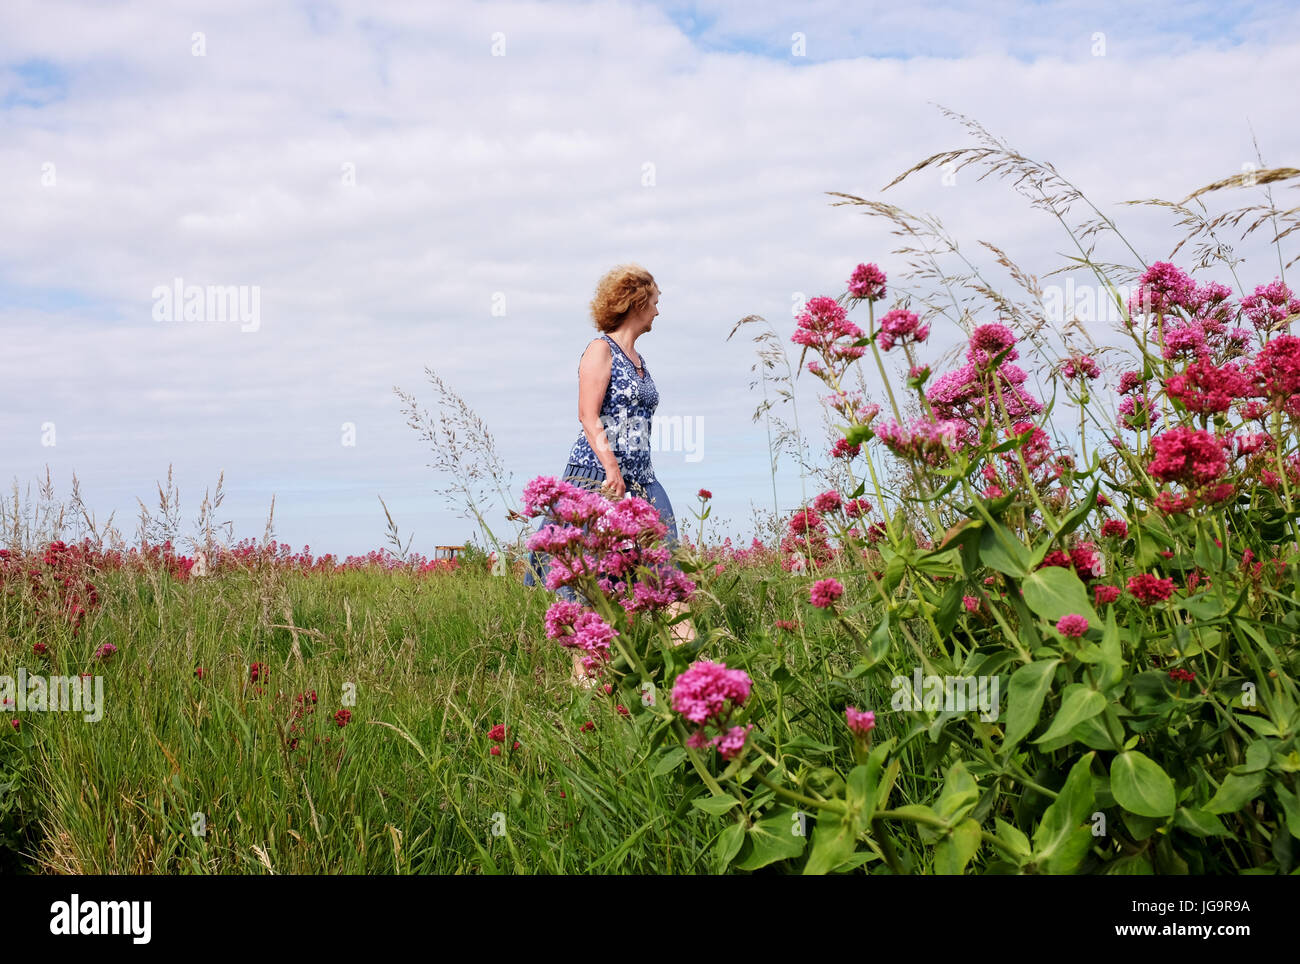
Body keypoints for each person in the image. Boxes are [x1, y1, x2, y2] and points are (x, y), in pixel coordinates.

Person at [523, 264, 696, 684]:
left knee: (669, 575)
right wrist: (611, 469)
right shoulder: (600, 350)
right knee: (592, 589)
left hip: (643, 481)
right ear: (637, 301)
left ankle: (692, 679)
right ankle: (588, 694)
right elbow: (588, 415)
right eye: (655, 302)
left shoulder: (639, 358)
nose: (658, 311)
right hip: (598, 479)